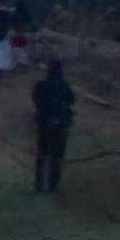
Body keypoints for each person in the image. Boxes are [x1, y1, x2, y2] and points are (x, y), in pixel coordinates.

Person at [31, 60, 76, 193]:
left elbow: (35, 99)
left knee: (42, 154)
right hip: (61, 125)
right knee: (57, 155)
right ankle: (53, 185)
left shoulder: (41, 85)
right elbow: (72, 100)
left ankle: (39, 184)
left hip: (44, 124)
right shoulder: (64, 86)